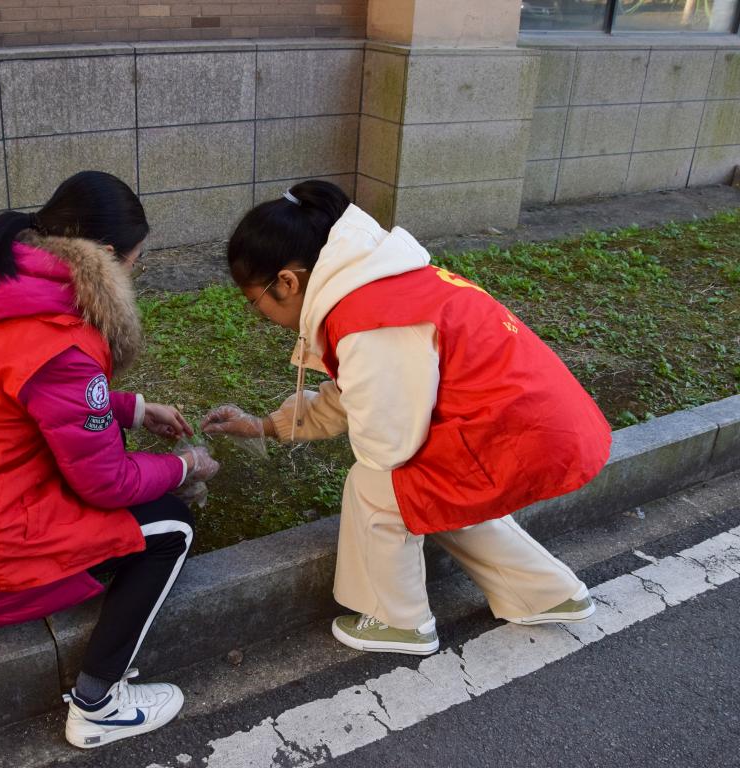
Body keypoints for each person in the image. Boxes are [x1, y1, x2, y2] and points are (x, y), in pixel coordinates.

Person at [0, 171, 219, 749]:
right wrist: (186, 466)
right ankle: (99, 704)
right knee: (171, 527)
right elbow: (106, 483)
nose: (134, 275)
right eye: (134, 263)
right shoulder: (64, 339)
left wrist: (132, 409)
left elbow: (15, 403)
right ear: (104, 256)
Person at [202, 180, 611, 655]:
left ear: (287, 282)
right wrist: (267, 426)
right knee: (434, 491)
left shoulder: (369, 318)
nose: (262, 318)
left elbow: (387, 446)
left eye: (256, 304)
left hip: (518, 436)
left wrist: (362, 440)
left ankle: (399, 621)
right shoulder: (382, 283)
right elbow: (357, 391)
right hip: (539, 425)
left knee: (377, 486)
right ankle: (546, 593)